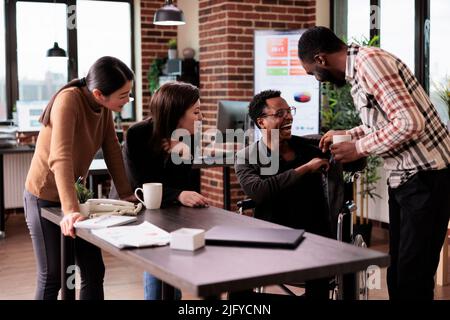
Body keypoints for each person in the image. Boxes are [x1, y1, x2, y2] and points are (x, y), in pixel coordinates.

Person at [297, 26, 450, 300]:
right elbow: (384, 120)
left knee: (413, 276)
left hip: (426, 176)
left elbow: (410, 123)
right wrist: (351, 134)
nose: (317, 80)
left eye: (312, 73)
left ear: (320, 59)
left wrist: (358, 148)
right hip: (405, 178)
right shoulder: (360, 69)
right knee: (399, 273)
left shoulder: (370, 63)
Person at [24, 56, 136, 300]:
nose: (127, 101)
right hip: (43, 196)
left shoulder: (105, 108)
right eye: (123, 95)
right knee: (54, 275)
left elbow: (112, 149)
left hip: (76, 198)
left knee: (94, 270)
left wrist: (126, 193)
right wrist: (70, 210)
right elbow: (60, 157)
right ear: (98, 94)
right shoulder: (68, 101)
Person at [110, 81, 209, 300]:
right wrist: (178, 194)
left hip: (170, 209)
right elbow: (141, 185)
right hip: (135, 207)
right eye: (196, 112)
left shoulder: (188, 136)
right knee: (160, 261)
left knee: (173, 269)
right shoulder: (138, 134)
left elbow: (185, 181)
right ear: (175, 113)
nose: (201, 119)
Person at [234, 90, 332, 299]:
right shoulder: (247, 157)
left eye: (289, 111)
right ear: (262, 122)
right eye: (280, 113)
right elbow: (258, 192)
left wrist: (343, 139)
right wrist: (305, 169)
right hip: (271, 238)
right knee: (236, 286)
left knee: (320, 284)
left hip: (314, 238)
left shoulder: (311, 147)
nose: (289, 117)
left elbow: (356, 162)